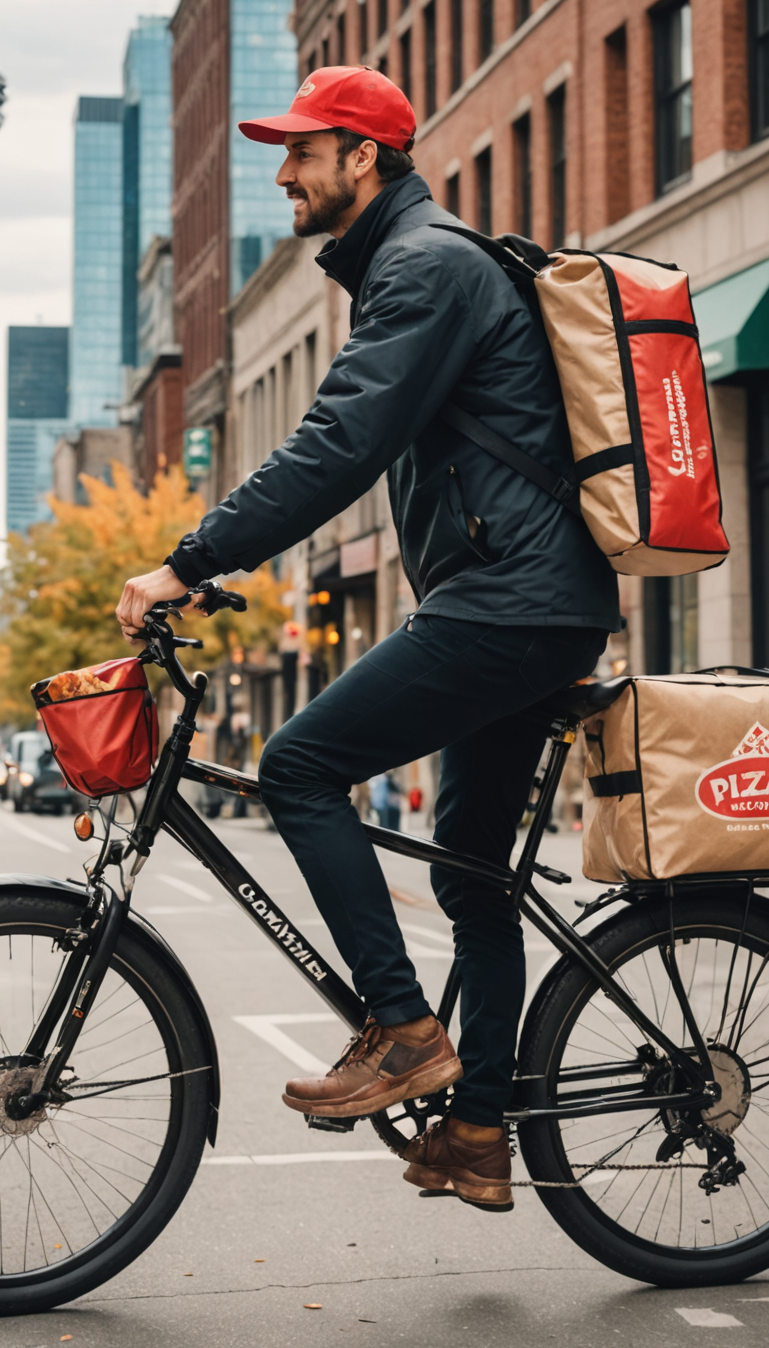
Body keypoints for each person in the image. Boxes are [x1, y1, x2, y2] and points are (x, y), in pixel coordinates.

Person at [117, 65, 620, 1212]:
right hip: (530, 601)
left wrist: (188, 563)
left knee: (297, 767)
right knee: (475, 880)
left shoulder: (424, 266)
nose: (283, 172)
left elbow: (335, 446)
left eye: (302, 150)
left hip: (511, 601)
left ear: (367, 158)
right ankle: (481, 1133)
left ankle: (400, 1029)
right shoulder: (409, 266)